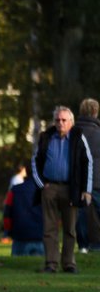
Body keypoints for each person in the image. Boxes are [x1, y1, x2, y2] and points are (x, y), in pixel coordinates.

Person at [32, 106, 83, 273]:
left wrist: (85, 190)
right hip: (50, 187)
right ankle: (51, 264)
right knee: (49, 228)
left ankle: (69, 264)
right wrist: (42, 185)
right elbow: (35, 162)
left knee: (70, 228)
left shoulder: (78, 138)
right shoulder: (46, 137)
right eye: (57, 120)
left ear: (71, 122)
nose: (60, 123)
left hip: (70, 188)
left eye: (64, 120)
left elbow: (87, 163)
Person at [73, 98, 100, 254]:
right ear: (95, 112)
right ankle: (96, 245)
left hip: (77, 181)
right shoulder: (98, 134)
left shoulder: (73, 133)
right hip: (97, 181)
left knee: (80, 215)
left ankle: (82, 245)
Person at [2, 169, 44, 257]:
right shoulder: (44, 191)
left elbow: (7, 213)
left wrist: (7, 232)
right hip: (40, 237)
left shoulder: (15, 190)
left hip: (19, 237)